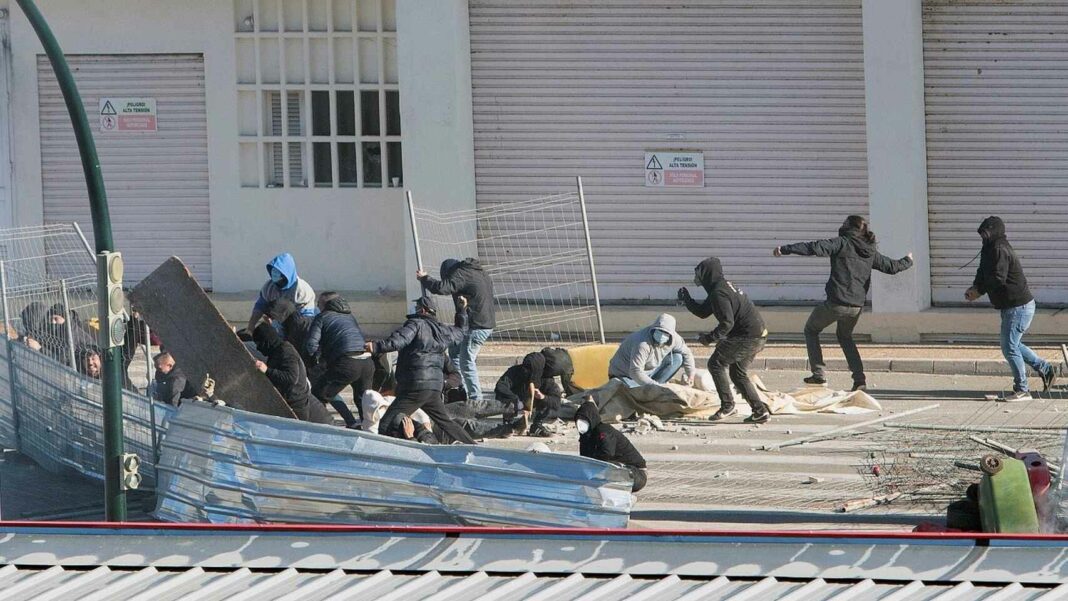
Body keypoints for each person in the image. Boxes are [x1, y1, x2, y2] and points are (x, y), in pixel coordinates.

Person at [774, 215, 913, 391]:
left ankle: (818, 375)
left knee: (811, 330)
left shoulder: (841, 243)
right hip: (856, 307)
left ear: (848, 227)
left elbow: (814, 247)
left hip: (836, 303)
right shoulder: (869, 251)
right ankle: (859, 380)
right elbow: (891, 267)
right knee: (845, 337)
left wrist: (785, 249)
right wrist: (908, 260)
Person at [965, 216, 1055, 401]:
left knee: (1009, 347)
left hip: (1018, 306)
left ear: (994, 232)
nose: (983, 236)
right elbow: (982, 271)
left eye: (986, 233)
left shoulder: (999, 249)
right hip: (1012, 306)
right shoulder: (988, 249)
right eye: (982, 234)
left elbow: (998, 278)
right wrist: (974, 287)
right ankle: (1046, 369)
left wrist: (979, 291)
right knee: (1013, 345)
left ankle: (1022, 389)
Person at [368, 295, 478, 445]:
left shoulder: (415, 324)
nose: (414, 309)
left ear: (423, 310)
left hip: (414, 386)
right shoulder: (442, 330)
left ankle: (390, 453)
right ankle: (472, 446)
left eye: (417, 306)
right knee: (446, 422)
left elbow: (398, 340)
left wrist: (375, 347)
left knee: (386, 424)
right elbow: (461, 331)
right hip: (434, 388)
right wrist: (461, 310)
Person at [678, 257, 770, 423]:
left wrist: (709, 338)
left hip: (748, 337)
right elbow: (703, 312)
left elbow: (727, 323)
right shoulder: (720, 287)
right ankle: (760, 411)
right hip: (757, 335)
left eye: (700, 273)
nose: (698, 278)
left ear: (708, 274)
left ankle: (728, 405)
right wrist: (688, 300)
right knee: (738, 374)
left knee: (716, 363)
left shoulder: (719, 293)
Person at [417, 258, 496, 403]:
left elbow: (441, 288)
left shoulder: (461, 274)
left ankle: (476, 399)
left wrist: (424, 278)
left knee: (467, 360)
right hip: (478, 323)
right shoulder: (479, 272)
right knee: (454, 351)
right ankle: (461, 391)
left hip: (476, 325)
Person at [306, 292, 372, 427]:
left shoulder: (322, 317)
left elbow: (311, 344)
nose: (317, 306)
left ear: (324, 304)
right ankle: (370, 430)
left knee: (319, 393)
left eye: (318, 303)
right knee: (363, 401)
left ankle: (323, 427)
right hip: (367, 363)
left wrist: (314, 361)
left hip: (347, 363)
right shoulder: (350, 317)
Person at [252, 323, 332, 424]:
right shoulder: (275, 352)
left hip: (295, 406)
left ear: (267, 340)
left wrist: (267, 370)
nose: (258, 348)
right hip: (285, 403)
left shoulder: (286, 351)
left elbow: (291, 378)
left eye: (259, 344)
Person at [574, 401, 647, 493]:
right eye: (578, 421)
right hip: (621, 472)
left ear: (591, 419)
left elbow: (606, 454)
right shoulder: (586, 437)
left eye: (584, 421)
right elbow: (585, 459)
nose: (580, 425)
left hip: (636, 474)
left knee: (608, 466)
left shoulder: (604, 431)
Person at [608, 313, 695, 387]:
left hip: (649, 372)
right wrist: (654, 386)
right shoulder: (642, 343)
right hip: (626, 375)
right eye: (659, 331)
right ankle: (652, 388)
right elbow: (635, 371)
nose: (661, 336)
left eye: (665, 333)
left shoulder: (675, 339)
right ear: (653, 329)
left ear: (671, 334)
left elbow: (687, 353)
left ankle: (655, 387)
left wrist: (691, 375)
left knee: (678, 358)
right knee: (625, 389)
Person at [493, 350, 565, 435]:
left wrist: (543, 397)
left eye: (529, 368)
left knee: (548, 400)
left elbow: (556, 401)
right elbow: (500, 386)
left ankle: (537, 425)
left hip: (535, 400)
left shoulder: (546, 379)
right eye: (525, 367)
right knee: (502, 396)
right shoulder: (515, 371)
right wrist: (515, 399)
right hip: (516, 398)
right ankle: (507, 424)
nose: (526, 370)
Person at [246, 252, 317, 332]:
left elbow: (306, 319)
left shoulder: (302, 291)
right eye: (274, 274)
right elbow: (260, 306)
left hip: (298, 328)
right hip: (275, 325)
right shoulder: (269, 287)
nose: (276, 280)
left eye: (280, 276)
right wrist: (250, 328)